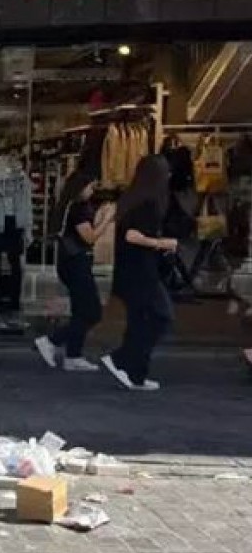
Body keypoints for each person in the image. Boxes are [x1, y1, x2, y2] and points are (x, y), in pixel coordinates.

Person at [102, 155, 177, 391]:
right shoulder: (148, 204)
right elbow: (132, 235)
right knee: (160, 316)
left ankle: (135, 372)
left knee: (140, 320)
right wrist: (162, 243)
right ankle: (123, 360)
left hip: (129, 271)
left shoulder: (131, 199)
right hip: (142, 272)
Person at [34, 171, 110, 372]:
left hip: (69, 262)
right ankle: (52, 341)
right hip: (76, 263)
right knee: (92, 311)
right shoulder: (78, 208)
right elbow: (90, 237)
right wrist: (107, 220)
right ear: (80, 188)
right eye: (90, 186)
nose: (92, 190)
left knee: (81, 310)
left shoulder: (68, 206)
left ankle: (73, 355)